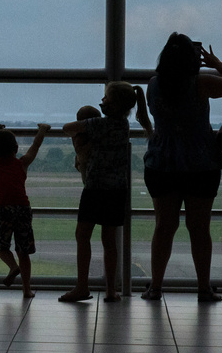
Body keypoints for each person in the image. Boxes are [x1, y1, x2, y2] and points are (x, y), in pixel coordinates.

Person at [143, 33, 222, 302]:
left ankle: (156, 286)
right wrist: (215, 62)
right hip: (201, 163)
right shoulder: (201, 83)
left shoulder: (153, 85)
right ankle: (203, 288)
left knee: (164, 226)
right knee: (199, 228)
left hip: (162, 162)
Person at [59, 83, 152, 303]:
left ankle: (82, 286)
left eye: (106, 99)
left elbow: (68, 128)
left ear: (113, 104)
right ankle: (111, 289)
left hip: (94, 188)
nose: (102, 102)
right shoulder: (123, 125)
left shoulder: (99, 124)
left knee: (83, 235)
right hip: (117, 190)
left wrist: (84, 126)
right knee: (109, 241)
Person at [0, 123, 50, 299]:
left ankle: (12, 266)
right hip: (22, 209)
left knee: (1, 246)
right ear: (16, 148)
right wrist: (41, 131)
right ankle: (26, 289)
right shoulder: (21, 163)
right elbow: (35, 147)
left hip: (2, 209)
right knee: (24, 250)